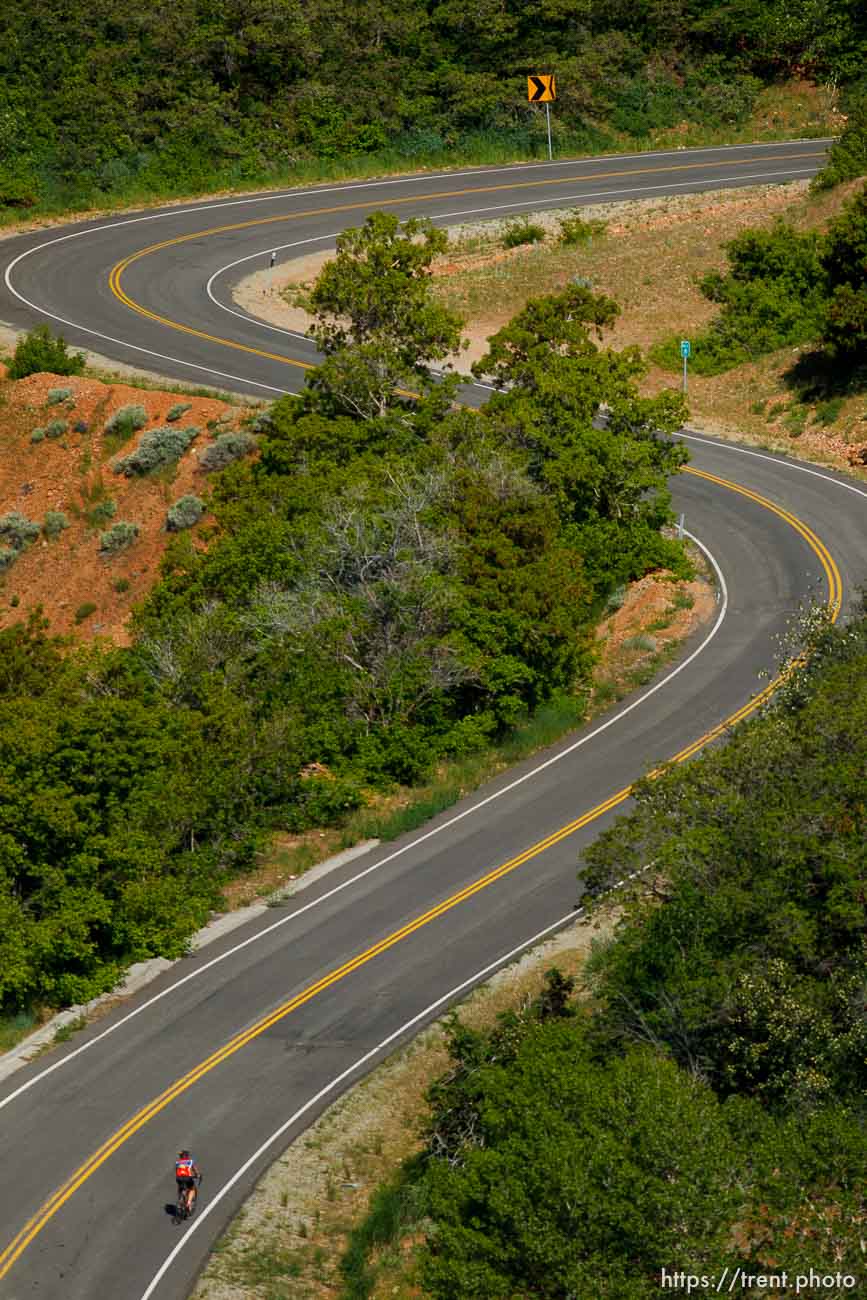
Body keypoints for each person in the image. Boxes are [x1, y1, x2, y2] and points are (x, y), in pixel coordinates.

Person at [175, 1150, 201, 1215]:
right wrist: (198, 1175)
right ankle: (188, 1204)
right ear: (187, 1156)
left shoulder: (177, 1162)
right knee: (192, 1189)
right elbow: (195, 1170)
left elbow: (177, 1171)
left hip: (179, 1178)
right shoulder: (190, 1161)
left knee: (181, 1188)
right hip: (187, 1178)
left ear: (181, 1156)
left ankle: (180, 1199)